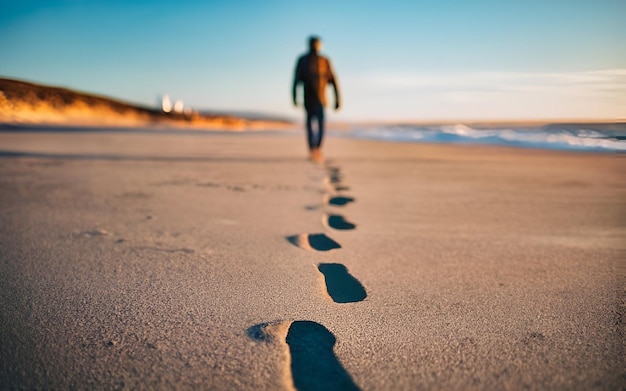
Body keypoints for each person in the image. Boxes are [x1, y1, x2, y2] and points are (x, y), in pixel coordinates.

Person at [292, 36, 340, 162]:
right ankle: (312, 149)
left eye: (318, 43)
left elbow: (334, 80)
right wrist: (294, 96)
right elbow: (296, 80)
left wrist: (338, 99)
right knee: (309, 126)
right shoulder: (302, 60)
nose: (315, 46)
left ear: (320, 45)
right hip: (308, 99)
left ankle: (317, 148)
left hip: (321, 100)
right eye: (313, 43)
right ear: (309, 44)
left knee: (321, 126)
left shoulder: (324, 61)